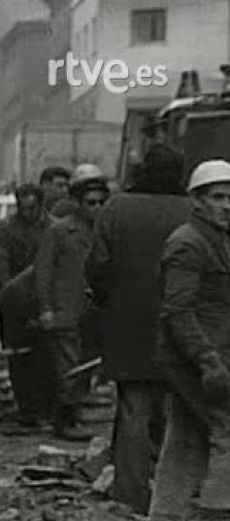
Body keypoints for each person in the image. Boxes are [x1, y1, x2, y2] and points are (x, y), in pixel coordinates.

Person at [148, 159, 230, 521]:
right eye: (217, 197)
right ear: (197, 200)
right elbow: (177, 311)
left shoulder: (215, 239)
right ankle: (220, 517)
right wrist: (209, 362)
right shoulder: (189, 243)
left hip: (197, 356)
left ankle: (167, 518)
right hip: (196, 358)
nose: (226, 205)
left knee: (185, 434)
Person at [87, 143, 191, 515]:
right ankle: (173, 496)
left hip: (127, 325)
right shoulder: (191, 211)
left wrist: (106, 303)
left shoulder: (117, 208)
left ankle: (130, 495)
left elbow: (98, 266)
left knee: (133, 409)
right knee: (177, 414)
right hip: (180, 327)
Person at [34, 165, 109, 441]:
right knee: (68, 367)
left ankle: (73, 413)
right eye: (91, 203)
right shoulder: (59, 232)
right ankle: (64, 420)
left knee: (85, 367)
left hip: (92, 312)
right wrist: (45, 308)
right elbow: (43, 272)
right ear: (77, 203)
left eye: (101, 202)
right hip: (64, 309)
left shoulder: (104, 233)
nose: (97, 208)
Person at [0, 184, 54, 429]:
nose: (28, 213)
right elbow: (3, 268)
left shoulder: (53, 228)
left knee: (46, 355)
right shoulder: (7, 230)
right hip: (15, 300)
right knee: (18, 356)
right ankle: (27, 409)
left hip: (45, 299)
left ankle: (45, 407)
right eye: (23, 208)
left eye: (32, 208)